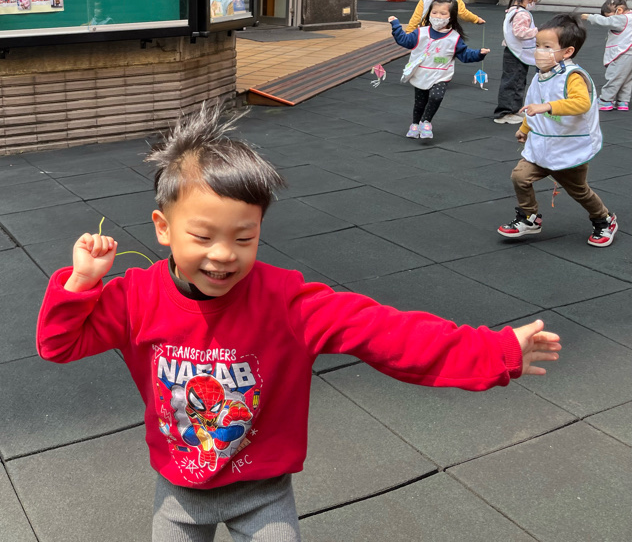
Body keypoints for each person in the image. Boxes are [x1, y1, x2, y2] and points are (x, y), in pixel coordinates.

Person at [37, 105, 562, 541]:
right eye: (202, 237)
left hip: (263, 492)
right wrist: (80, 284)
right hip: (180, 492)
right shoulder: (136, 298)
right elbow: (59, 345)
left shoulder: (286, 302)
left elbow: (385, 331)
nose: (223, 255)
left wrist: (493, 351)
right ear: (163, 228)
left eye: (244, 238)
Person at [498, 14, 618, 247]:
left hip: (568, 146)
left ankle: (604, 219)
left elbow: (581, 103)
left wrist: (548, 107)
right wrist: (525, 128)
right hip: (543, 144)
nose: (539, 51)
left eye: (547, 47)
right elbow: (533, 104)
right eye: (537, 45)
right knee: (520, 177)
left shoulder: (573, 76)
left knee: (578, 191)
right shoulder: (541, 76)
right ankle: (529, 217)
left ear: (567, 52)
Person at [390, 0, 489, 140]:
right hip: (422, 72)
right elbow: (405, 41)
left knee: (436, 96)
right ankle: (415, 124)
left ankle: (426, 122)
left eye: (443, 13)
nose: (438, 16)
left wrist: (478, 54)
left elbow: (464, 55)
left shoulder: (454, 38)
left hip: (441, 74)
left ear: (451, 17)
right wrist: (396, 25)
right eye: (434, 12)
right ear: (429, 13)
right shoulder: (421, 33)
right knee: (420, 102)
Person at [493, 0, 543, 125]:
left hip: (513, 51)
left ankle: (513, 109)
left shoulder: (513, 10)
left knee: (516, 81)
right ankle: (505, 112)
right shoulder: (522, 14)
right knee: (513, 82)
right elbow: (519, 32)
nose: (534, 3)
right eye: (535, 0)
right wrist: (537, 31)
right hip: (516, 54)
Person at [581, 0, 631, 111]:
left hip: (622, 53)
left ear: (619, 11)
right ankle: (623, 101)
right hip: (629, 52)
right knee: (627, 79)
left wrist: (590, 17)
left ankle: (606, 100)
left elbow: (606, 21)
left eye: (609, 15)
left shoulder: (622, 19)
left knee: (615, 77)